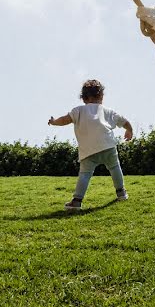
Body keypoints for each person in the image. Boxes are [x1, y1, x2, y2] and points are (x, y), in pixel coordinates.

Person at [48, 80, 133, 211]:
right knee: (115, 168)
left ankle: (77, 201)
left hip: (88, 151)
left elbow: (65, 120)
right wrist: (129, 130)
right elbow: (125, 121)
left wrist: (54, 122)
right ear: (102, 97)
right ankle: (121, 193)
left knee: (85, 175)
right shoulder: (108, 111)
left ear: (83, 98)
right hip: (107, 146)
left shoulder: (78, 111)